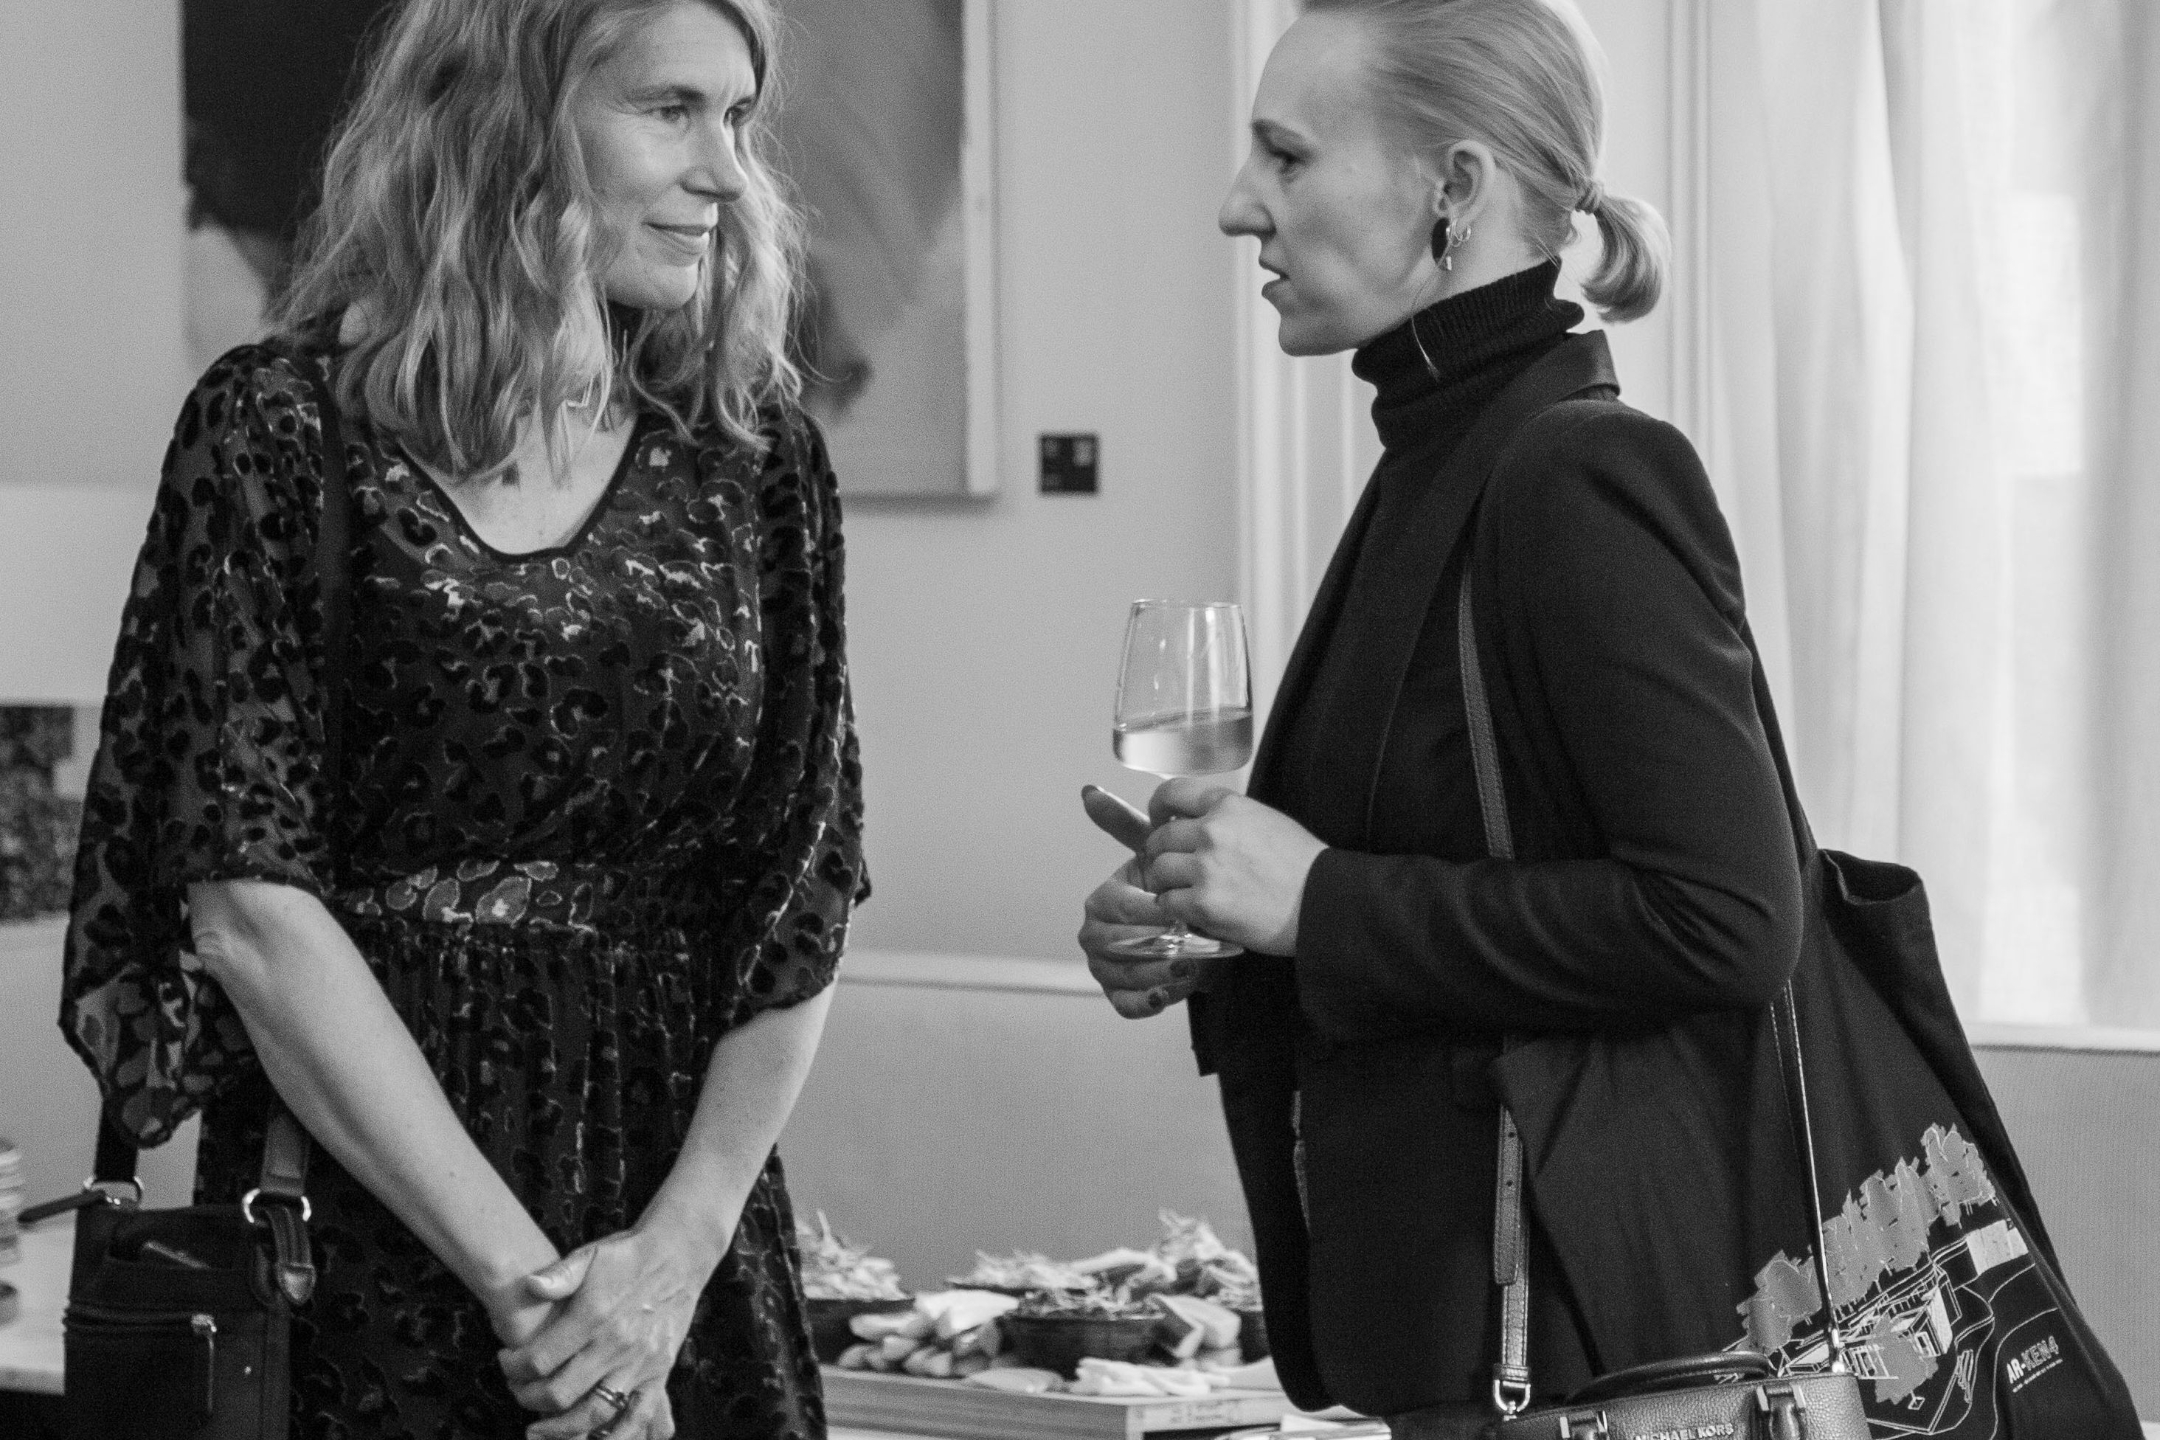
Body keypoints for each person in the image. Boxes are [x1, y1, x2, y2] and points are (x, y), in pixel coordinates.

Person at [1080, 2, 2140, 1438]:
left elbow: (1727, 917)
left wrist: (1318, 902)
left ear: (1454, 189)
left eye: (1287, 154)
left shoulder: (1576, 474)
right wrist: (1231, 938)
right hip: (1481, 1346)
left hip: (1586, 1362)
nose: (1237, 203)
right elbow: (1459, 904)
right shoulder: (1441, 461)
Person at [61, 1, 868, 1436]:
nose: (728, 172)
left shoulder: (753, 459)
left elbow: (800, 887)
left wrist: (668, 1267)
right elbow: (247, 909)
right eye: (670, 111)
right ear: (511, 121)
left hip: (678, 1252)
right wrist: (539, 1300)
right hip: (365, 1232)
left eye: (739, 118)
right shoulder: (277, 429)